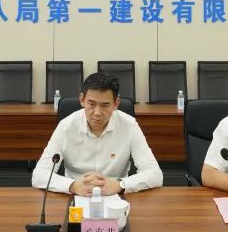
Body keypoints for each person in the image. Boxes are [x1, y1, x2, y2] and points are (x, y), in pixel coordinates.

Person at [31, 73, 162, 196]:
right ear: (82, 100)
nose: (97, 112)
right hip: (75, 195)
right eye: (91, 104)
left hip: (117, 196)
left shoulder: (129, 125)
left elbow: (155, 174)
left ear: (116, 104)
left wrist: (120, 185)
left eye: (105, 105)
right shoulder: (66, 126)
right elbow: (39, 175)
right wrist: (72, 186)